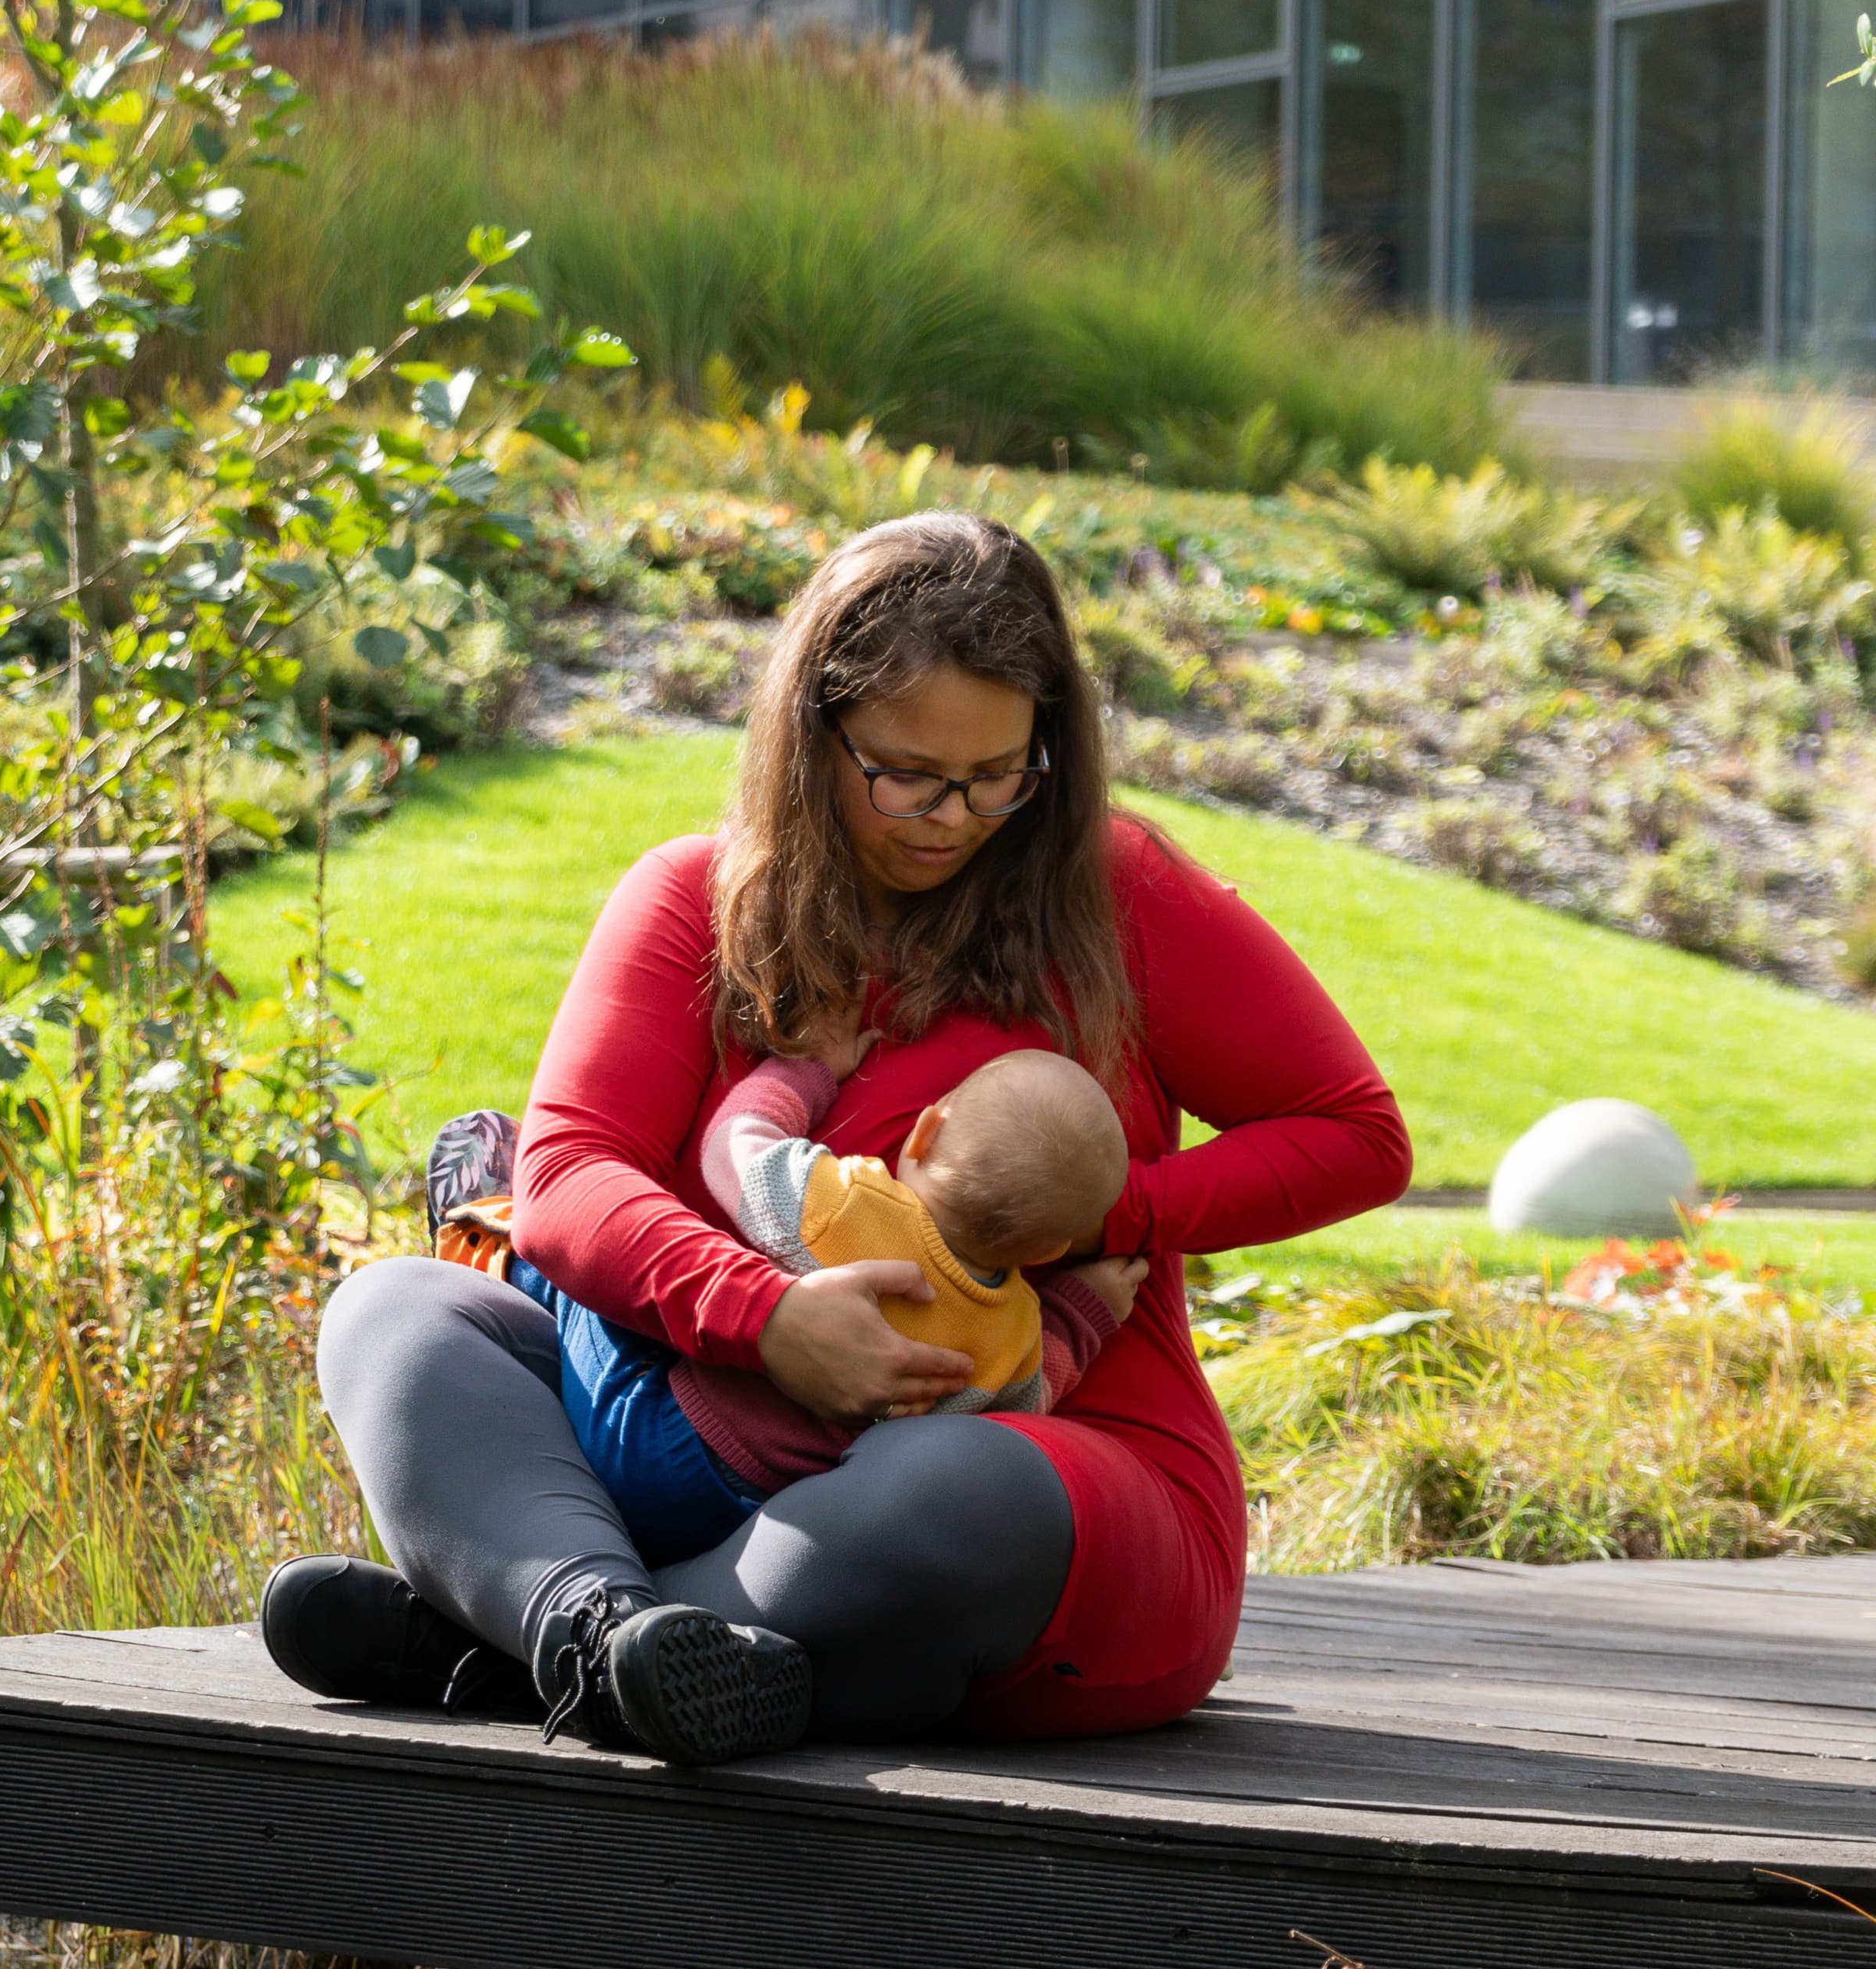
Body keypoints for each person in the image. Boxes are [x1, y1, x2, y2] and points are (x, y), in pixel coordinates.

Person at [260, 507, 1410, 1766]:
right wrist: (767, 1317)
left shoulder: (1115, 895)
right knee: (399, 1318)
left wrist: (1105, 1217)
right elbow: (567, 1179)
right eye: (905, 771)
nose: (953, 816)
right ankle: (607, 1637)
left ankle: (518, 1644)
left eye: (998, 776)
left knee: (957, 1482)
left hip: (1050, 1487)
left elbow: (1354, 1135)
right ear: (811, 735)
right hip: (697, 1431)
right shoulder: (689, 906)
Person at [436, 1041, 1146, 1563]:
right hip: (765, 1521)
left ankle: (496, 1235)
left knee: (602, 1283)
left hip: (661, 1447)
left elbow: (734, 1146)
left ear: (926, 1132)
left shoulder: (849, 1206)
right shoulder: (1013, 1335)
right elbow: (1035, 1400)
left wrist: (803, 1071)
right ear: (1052, 1251)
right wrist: (1084, 1313)